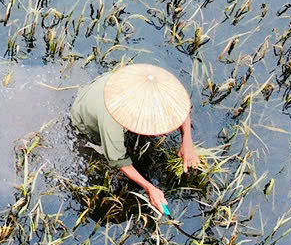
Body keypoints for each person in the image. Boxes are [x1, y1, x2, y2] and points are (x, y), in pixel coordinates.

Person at [70, 63, 199, 214]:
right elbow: (118, 160)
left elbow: (182, 106)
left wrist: (187, 142)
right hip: (86, 119)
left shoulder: (157, 83)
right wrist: (149, 187)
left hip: (104, 87)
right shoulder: (112, 121)